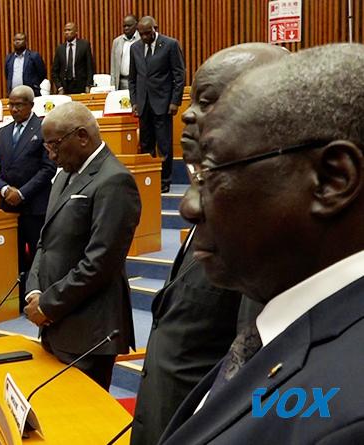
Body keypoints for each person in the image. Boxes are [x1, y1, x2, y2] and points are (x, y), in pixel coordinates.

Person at [159, 42, 364, 444]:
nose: (188, 206)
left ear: (332, 180)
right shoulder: (282, 329)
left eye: (212, 170)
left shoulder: (346, 420)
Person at [129, 43, 287, 445]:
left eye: (208, 101)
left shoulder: (267, 228)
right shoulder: (213, 198)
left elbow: (254, 376)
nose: (187, 114)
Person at [23, 101, 140, 390]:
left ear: (82, 136)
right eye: (47, 147)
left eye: (55, 146)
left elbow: (100, 263)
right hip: (56, 321)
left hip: (89, 330)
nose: (51, 156)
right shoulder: (64, 175)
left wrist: (48, 304)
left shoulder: (115, 180)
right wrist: (35, 291)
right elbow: (45, 241)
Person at [0, 86, 56, 309]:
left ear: (31, 105)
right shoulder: (4, 132)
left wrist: (21, 193)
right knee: (12, 256)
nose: (14, 109)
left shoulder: (43, 128)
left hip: (35, 206)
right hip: (8, 207)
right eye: (11, 104)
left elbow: (48, 169)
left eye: (19, 105)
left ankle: (40, 302)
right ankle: (16, 302)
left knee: (38, 257)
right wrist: (4, 189)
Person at [128, 16, 185, 193]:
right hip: (143, 104)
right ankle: (149, 178)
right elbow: (132, 78)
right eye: (141, 34)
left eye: (148, 33)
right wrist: (134, 101)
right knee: (146, 144)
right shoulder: (135, 48)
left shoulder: (170, 45)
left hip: (163, 103)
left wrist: (175, 101)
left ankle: (164, 181)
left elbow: (179, 75)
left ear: (155, 28)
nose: (145, 37)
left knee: (164, 144)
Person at [51, 23, 95, 94]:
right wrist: (59, 87)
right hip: (64, 87)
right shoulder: (60, 48)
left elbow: (90, 67)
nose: (66, 32)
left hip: (81, 86)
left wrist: (88, 85)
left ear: (76, 32)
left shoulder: (84, 45)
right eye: (65, 30)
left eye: (69, 30)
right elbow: (54, 71)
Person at [110, 15, 140, 90]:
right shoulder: (117, 41)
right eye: (124, 26)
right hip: (121, 82)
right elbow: (113, 66)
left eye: (129, 26)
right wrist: (113, 85)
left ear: (136, 25)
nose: (126, 28)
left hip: (137, 82)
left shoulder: (141, 40)